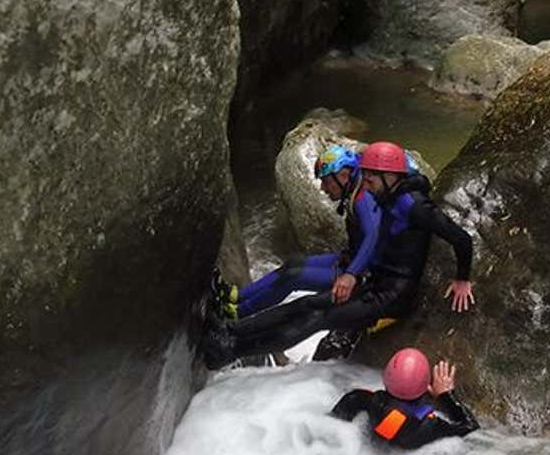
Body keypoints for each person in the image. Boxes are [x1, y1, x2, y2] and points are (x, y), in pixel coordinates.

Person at [201, 141, 475, 369]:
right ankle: (231, 332)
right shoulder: (387, 194)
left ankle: (232, 349)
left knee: (317, 318)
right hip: (373, 281)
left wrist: (462, 279)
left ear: (388, 177)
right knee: (306, 306)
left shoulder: (414, 206)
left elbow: (461, 238)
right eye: (364, 177)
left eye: (369, 178)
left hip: (390, 296)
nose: (365, 184)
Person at [215, 145, 381, 320]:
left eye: (326, 181)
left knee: (295, 277)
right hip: (353, 262)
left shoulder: (364, 198)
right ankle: (236, 297)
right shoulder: (355, 192)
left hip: (364, 274)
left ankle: (236, 313)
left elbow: (373, 235)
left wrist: (351, 274)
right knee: (292, 264)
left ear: (343, 176)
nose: (323, 188)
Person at [330, 348, 478, 449]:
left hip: (371, 453)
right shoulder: (428, 426)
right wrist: (446, 395)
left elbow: (332, 422)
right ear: (426, 386)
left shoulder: (366, 400)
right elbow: (470, 428)